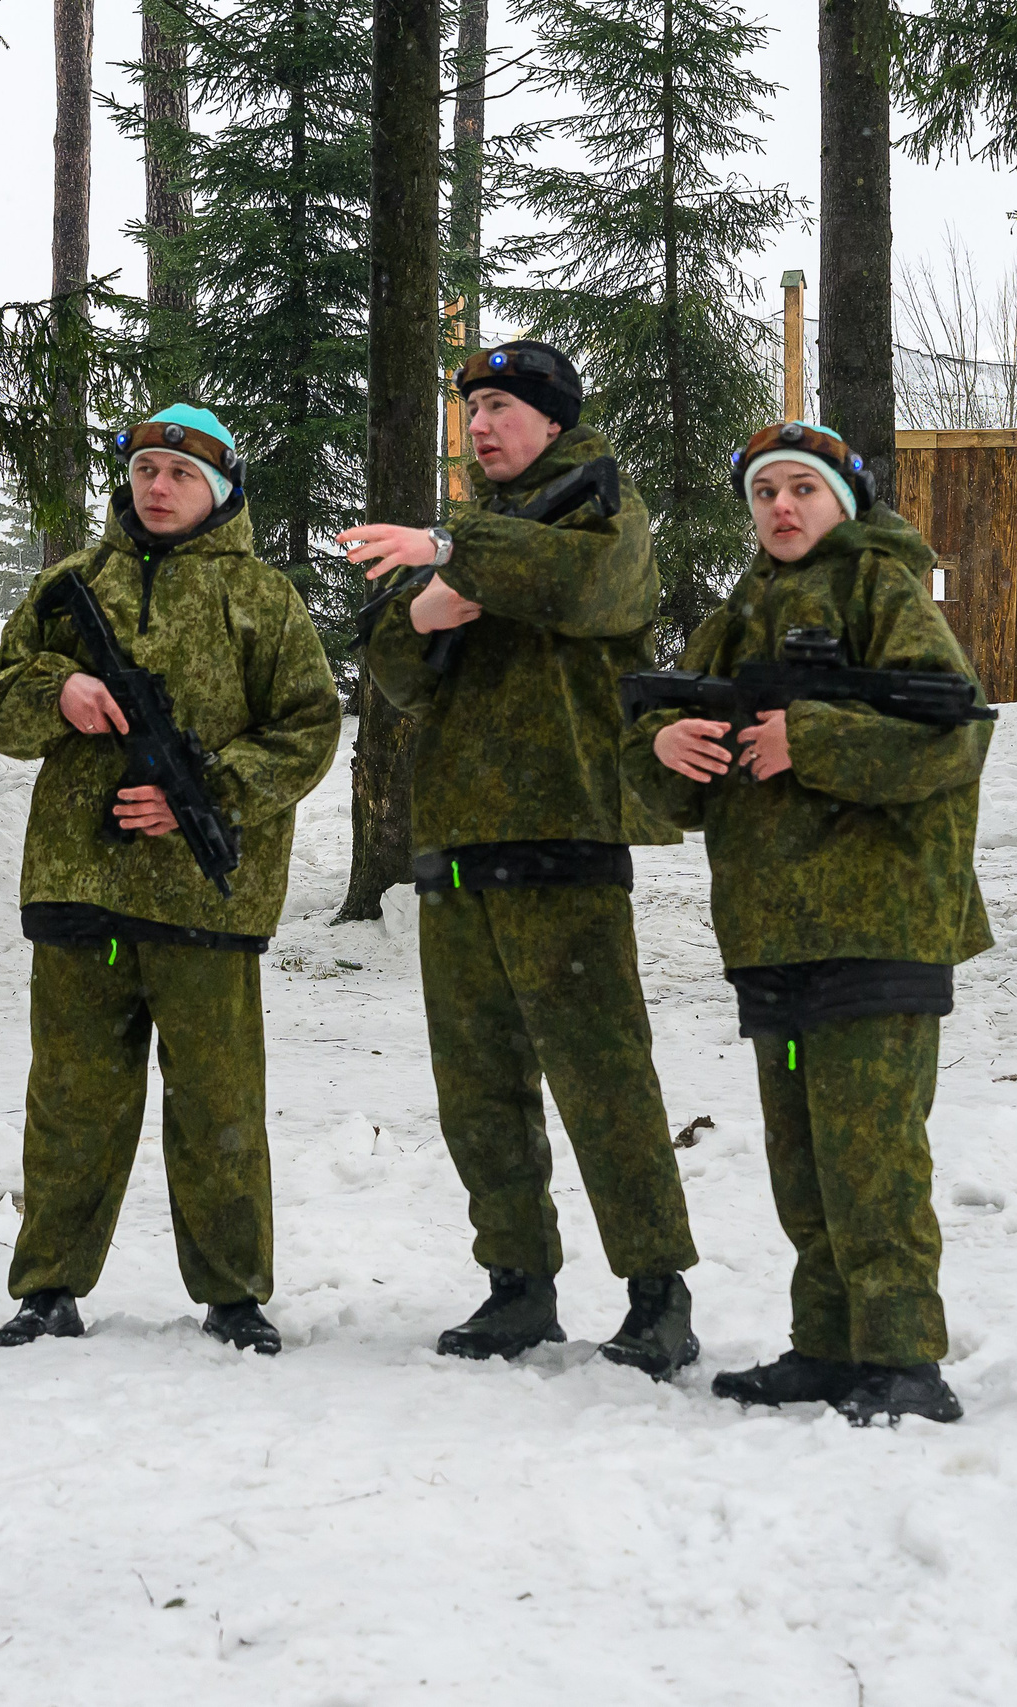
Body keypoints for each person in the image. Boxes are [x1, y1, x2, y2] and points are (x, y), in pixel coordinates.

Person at [338, 341, 701, 1378]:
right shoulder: (478, 538)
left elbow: (590, 590)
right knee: (478, 1089)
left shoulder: (606, 511)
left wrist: (453, 551)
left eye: (500, 406)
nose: (481, 426)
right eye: (473, 410)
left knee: (604, 1081)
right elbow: (397, 674)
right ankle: (516, 1285)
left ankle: (657, 1294)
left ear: (552, 419)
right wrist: (420, 611)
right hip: (457, 846)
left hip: (565, 834)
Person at [623, 420, 993, 1425]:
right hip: (771, 932)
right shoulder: (739, 613)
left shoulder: (884, 590)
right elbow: (665, 760)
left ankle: (905, 1359)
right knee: (802, 1162)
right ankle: (828, 1345)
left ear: (844, 500)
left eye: (803, 490)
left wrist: (812, 738)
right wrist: (663, 749)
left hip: (880, 926)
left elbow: (951, 740)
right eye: (764, 493)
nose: (781, 508)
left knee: (872, 1156)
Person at [0, 405, 339, 1355]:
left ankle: (234, 1293)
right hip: (79, 886)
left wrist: (204, 795)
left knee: (219, 1105)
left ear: (217, 490)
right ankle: (48, 1287)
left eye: (178, 474)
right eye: (144, 470)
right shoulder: (70, 588)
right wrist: (58, 691)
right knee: (70, 1104)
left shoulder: (262, 599)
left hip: (207, 899)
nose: (157, 486)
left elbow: (308, 729)